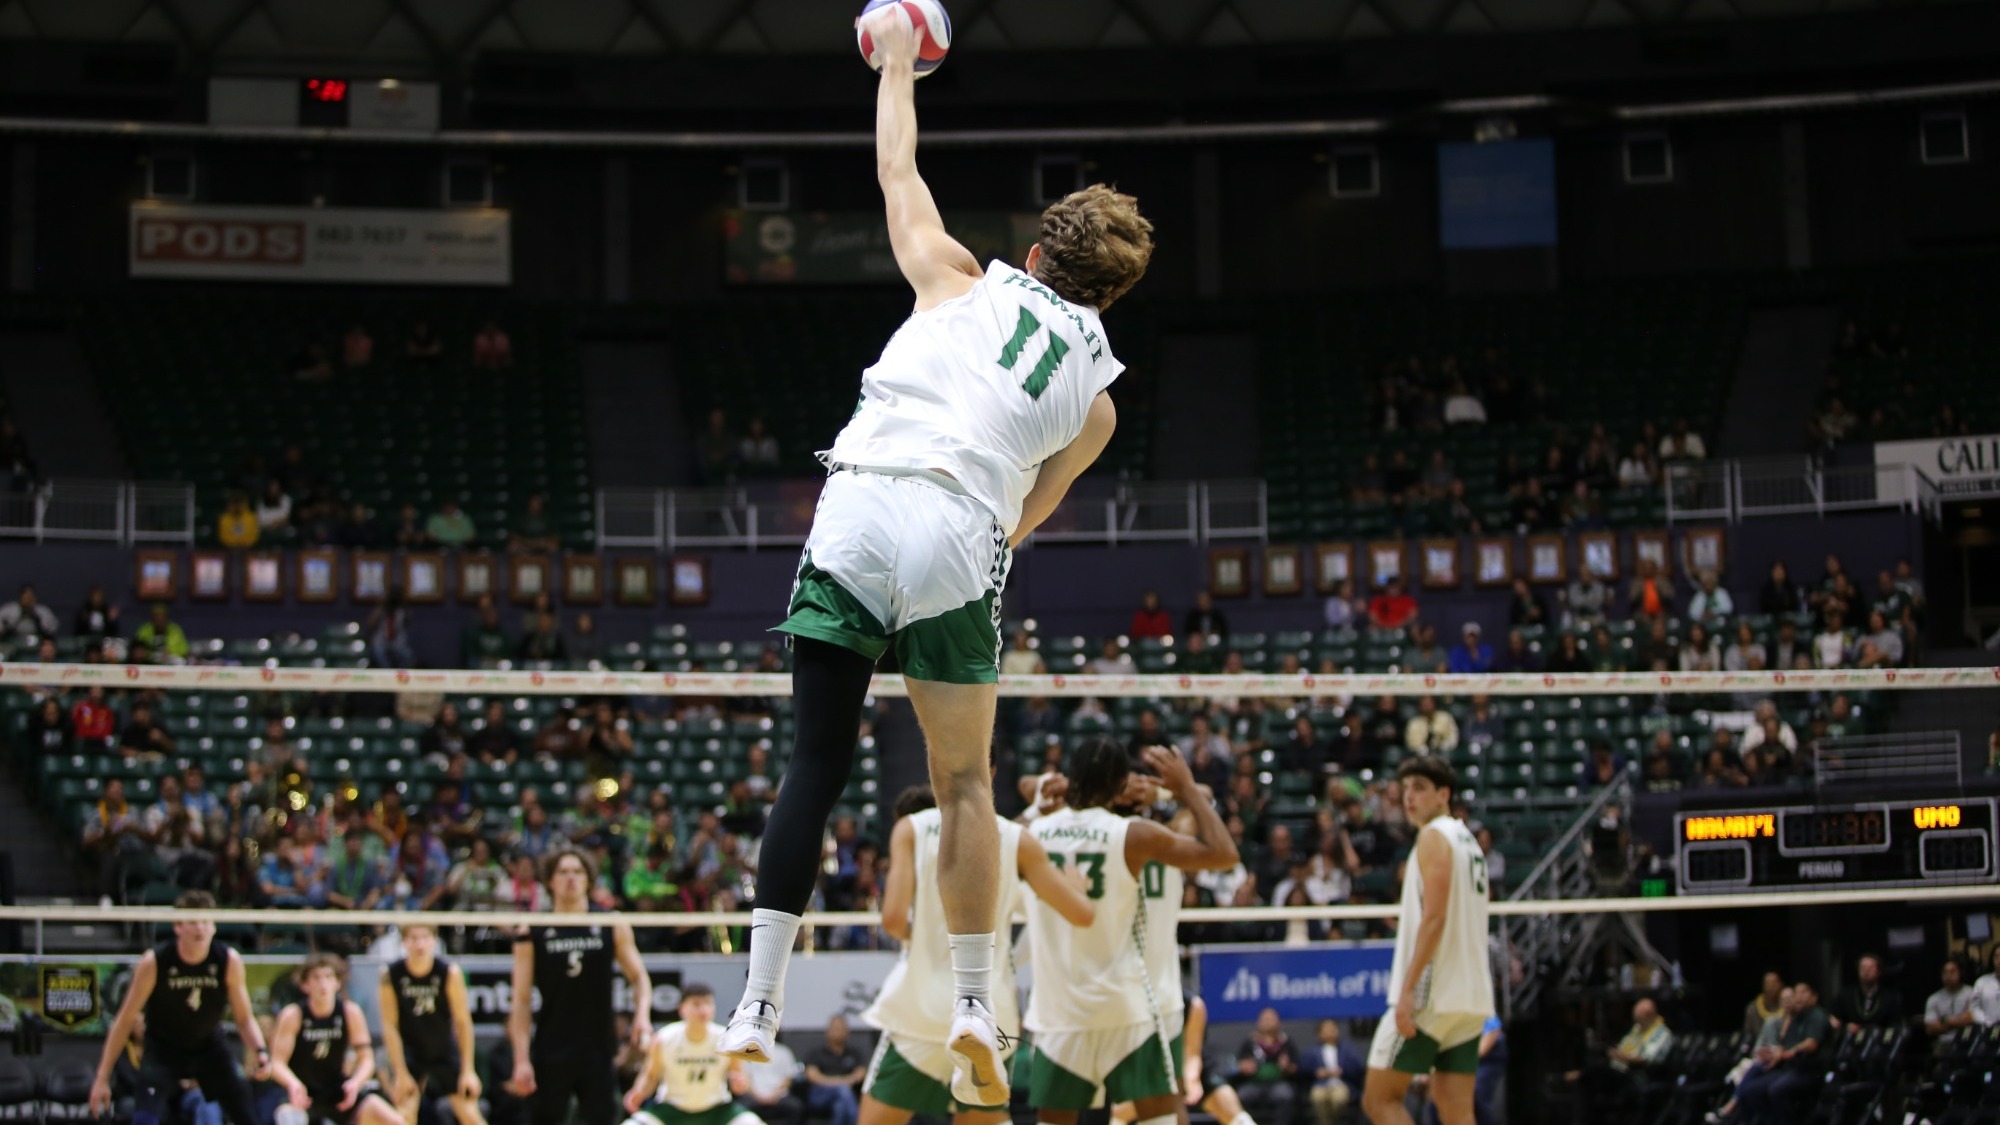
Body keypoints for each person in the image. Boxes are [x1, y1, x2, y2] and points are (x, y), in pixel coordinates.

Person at [722, 11, 1153, 1111]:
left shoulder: (955, 276)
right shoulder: (1096, 406)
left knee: (813, 763)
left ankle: (756, 1001)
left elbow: (893, 164)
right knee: (964, 780)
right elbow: (1026, 521)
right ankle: (974, 1003)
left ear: (1035, 251)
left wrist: (902, 61)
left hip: (862, 497)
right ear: (1104, 295)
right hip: (963, 527)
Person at [1023, 740, 1238, 1125]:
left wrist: (1039, 799)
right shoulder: (1138, 835)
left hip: (1062, 1011)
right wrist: (1184, 787)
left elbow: (1022, 796)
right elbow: (1224, 854)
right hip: (1129, 1003)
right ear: (1121, 783)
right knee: (1161, 1115)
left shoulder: (1031, 833)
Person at [861, 784, 1094, 1123]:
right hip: (990, 1011)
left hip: (922, 1009)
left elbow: (894, 920)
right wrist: (1074, 888)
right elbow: (1080, 914)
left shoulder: (912, 827)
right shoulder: (1018, 839)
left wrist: (923, 937)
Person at [1360, 758, 1495, 1125]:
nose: (1409, 797)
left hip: (1433, 994)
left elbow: (1435, 918)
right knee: (1456, 1110)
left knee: (1380, 1100)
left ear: (1444, 794)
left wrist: (1406, 991)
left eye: (1419, 787)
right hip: (1471, 998)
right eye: (1405, 789)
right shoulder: (1469, 842)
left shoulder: (1434, 835)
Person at [87, 891, 270, 1125]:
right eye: (193, 922)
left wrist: (260, 1050)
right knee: (144, 1119)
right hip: (164, 1049)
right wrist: (102, 1077)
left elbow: (244, 1018)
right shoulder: (155, 962)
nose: (200, 929)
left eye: (205, 922)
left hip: (209, 1047)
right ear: (178, 926)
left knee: (246, 1115)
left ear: (214, 927)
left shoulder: (228, 960)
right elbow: (124, 1019)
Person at [508, 849, 654, 1125]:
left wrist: (642, 1017)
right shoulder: (533, 928)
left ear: (589, 879)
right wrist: (521, 1059)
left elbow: (639, 978)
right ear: (550, 881)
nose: (571, 878)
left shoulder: (611, 922)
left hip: (598, 1047)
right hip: (551, 1047)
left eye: (578, 871)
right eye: (563, 872)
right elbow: (521, 999)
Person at [270, 954, 403, 1125]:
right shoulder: (293, 1015)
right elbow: (277, 1063)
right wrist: (292, 1083)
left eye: (328, 976)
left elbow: (366, 1059)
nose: (322, 983)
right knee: (288, 1117)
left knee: (395, 1120)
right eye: (316, 978)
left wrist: (355, 1083)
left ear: (337, 982)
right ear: (305, 985)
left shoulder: (350, 1012)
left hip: (337, 1089)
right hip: (302, 1092)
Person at [380, 924, 484, 1125]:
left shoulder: (449, 972)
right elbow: (389, 1025)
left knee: (469, 1114)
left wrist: (468, 1069)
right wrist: (400, 1072)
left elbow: (463, 1023)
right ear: (404, 942)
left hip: (442, 1048)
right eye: (413, 938)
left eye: (425, 937)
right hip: (410, 1051)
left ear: (434, 941)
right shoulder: (390, 974)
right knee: (403, 1114)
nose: (419, 944)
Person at [619, 982, 756, 1125]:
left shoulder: (726, 1038)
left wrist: (739, 1083)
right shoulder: (664, 1038)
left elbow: (738, 1077)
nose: (703, 1010)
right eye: (696, 1004)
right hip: (672, 1110)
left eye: (708, 1003)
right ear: (682, 1009)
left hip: (717, 1110)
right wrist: (638, 1092)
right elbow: (651, 1075)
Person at [1730, 981, 1827, 1124]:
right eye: (1797, 993)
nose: (1799, 997)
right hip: (1789, 1069)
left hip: (1809, 1070)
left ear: (1814, 996)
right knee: (1751, 1090)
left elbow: (1810, 1044)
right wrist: (1771, 1054)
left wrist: (1788, 1053)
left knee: (1777, 1090)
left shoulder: (1817, 1015)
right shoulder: (1796, 1019)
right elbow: (1784, 1046)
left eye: (1803, 992)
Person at [1567, 998, 1672, 1121]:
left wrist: (1618, 1056)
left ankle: (1582, 1075)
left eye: (1640, 1019)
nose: (1637, 1023)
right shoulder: (1637, 1029)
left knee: (1593, 1073)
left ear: (1649, 1015)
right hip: (1619, 1071)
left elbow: (1645, 1059)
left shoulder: (1662, 1033)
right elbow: (1624, 1048)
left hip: (1636, 1076)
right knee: (1589, 1081)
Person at [1235, 1009, 1300, 1125]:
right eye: (1265, 1019)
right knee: (1240, 1096)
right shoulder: (1250, 1042)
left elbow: (1296, 1067)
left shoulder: (1286, 1042)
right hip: (1254, 1084)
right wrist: (1244, 1067)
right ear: (1258, 1023)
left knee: (1286, 1095)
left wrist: (1287, 1067)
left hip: (1278, 1084)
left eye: (1271, 1019)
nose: (1268, 1022)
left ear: (1279, 1023)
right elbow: (1239, 1065)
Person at [1828, 954, 1905, 1032]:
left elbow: (1896, 1025)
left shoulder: (1890, 997)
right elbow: (1834, 1020)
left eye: (1870, 968)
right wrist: (1845, 1027)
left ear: (1879, 971)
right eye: (1863, 968)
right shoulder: (1845, 995)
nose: (1866, 971)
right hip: (1851, 1039)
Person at [1308, 1019, 1362, 1125]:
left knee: (1339, 1099)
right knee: (1318, 1097)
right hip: (1321, 1084)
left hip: (1340, 1084)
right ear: (1319, 1034)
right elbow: (1304, 1069)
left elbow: (1358, 1067)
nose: (1331, 1031)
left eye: (1333, 1028)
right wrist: (1317, 1072)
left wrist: (1342, 1071)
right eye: (1327, 1029)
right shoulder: (1313, 1052)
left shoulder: (1347, 1050)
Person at [1923, 959, 1976, 1043]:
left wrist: (1944, 1020)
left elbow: (1971, 1019)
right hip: (1943, 1042)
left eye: (1952, 971)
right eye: (1945, 972)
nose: (1948, 975)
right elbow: (1930, 1028)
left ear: (1960, 973)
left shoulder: (1971, 993)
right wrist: (1958, 1022)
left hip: (1968, 1040)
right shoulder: (1933, 999)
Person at [1743, 973, 1785, 1039]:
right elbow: (1748, 1034)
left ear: (1780, 985)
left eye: (1774, 984)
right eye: (1768, 984)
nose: (1771, 987)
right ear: (1763, 986)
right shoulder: (1753, 1009)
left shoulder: (1789, 1006)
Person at [1970, 945, 2000, 1028]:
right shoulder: (1981, 982)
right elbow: (1974, 1007)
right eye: (1996, 956)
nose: (1999, 960)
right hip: (1987, 1028)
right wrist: (1986, 1022)